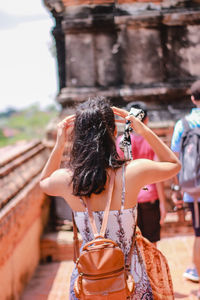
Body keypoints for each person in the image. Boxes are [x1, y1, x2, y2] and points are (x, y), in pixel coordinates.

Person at [39, 97, 181, 299]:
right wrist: (142, 130)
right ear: (114, 133)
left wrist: (60, 142)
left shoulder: (67, 180)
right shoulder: (132, 172)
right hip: (131, 280)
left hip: (89, 282)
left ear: (77, 137)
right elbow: (174, 164)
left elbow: (43, 180)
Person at [116, 102, 166, 246]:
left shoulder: (121, 142)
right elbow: (159, 176)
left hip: (129, 199)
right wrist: (163, 203)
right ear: (147, 120)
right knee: (151, 244)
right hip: (150, 197)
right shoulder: (152, 141)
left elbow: (118, 174)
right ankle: (151, 269)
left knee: (132, 244)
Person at [171, 80, 200, 297]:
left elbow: (175, 158)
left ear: (192, 98)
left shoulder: (184, 124)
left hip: (195, 190)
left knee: (199, 235)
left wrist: (175, 187)